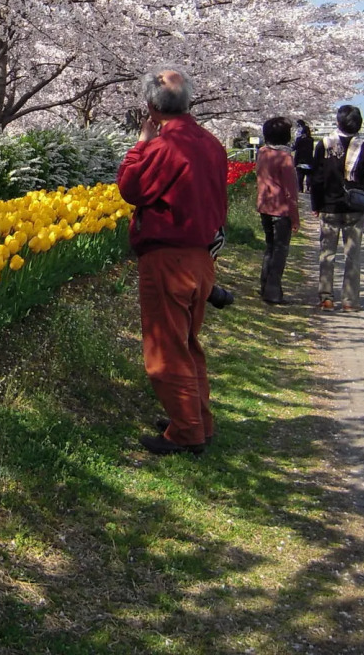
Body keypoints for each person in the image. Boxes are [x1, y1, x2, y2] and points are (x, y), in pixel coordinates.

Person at [116, 67, 228, 457]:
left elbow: (130, 188)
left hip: (168, 257)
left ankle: (186, 432)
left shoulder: (166, 147)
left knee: (166, 347)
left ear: (150, 107)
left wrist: (141, 144)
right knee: (188, 342)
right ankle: (197, 420)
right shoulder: (212, 144)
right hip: (200, 258)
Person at [310, 104, 364, 311]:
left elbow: (316, 179)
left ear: (338, 122)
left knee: (327, 254)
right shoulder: (363, 148)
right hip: (355, 209)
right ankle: (350, 301)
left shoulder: (324, 145)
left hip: (329, 206)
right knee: (352, 255)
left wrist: (316, 204)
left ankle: (326, 297)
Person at [255, 116, 300, 305]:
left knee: (270, 247)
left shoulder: (262, 152)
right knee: (280, 251)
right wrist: (295, 218)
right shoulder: (285, 158)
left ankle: (264, 284)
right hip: (281, 210)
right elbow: (291, 191)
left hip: (265, 206)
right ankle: (273, 291)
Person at [293, 120, 315, 192]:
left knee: (300, 176)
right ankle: (308, 188)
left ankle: (300, 189)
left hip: (300, 160)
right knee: (309, 175)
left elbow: (295, 148)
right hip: (309, 160)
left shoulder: (299, 139)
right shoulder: (311, 140)